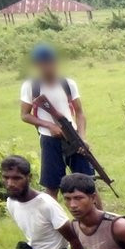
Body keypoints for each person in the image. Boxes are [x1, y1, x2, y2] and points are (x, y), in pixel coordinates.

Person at [20, 44, 92, 200]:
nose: (47, 67)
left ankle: (99, 215)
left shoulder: (67, 84)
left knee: (87, 183)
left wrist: (82, 138)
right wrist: (49, 125)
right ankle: (51, 216)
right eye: (42, 63)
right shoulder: (31, 86)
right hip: (49, 140)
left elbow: (80, 113)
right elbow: (25, 115)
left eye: (50, 62)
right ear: (37, 65)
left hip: (73, 136)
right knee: (52, 187)